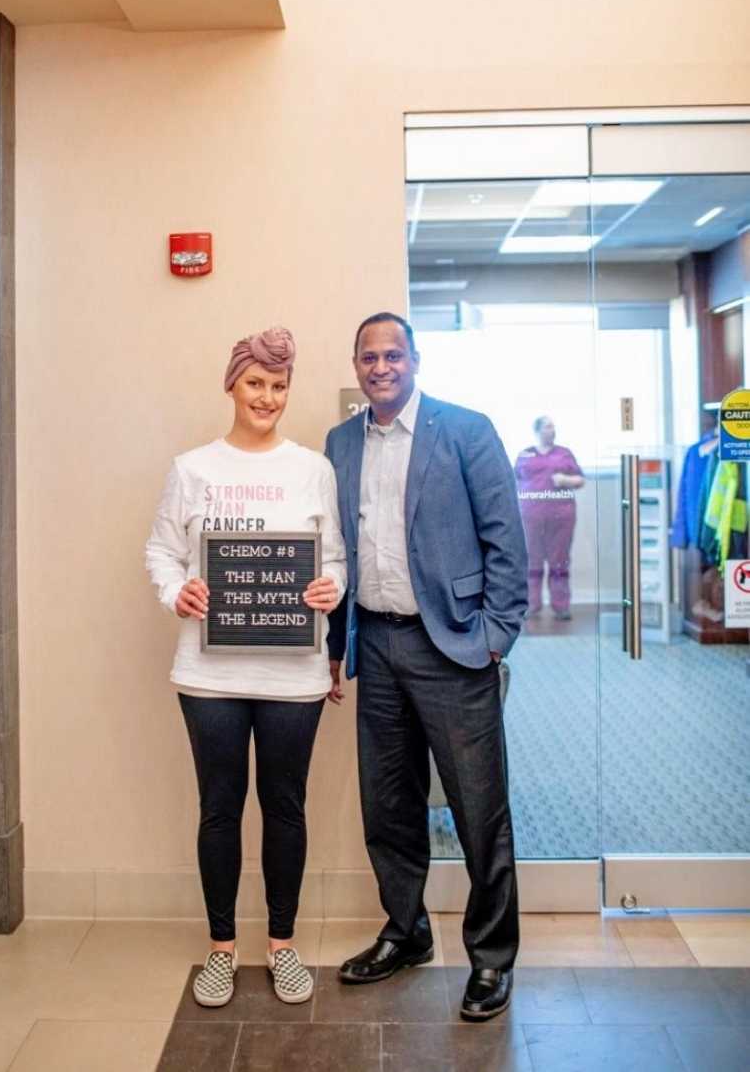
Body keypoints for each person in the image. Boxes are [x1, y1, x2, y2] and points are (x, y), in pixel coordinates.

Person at [325, 311, 526, 1022]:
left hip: (453, 646)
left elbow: (506, 537)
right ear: (356, 365)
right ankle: (406, 931)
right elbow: (337, 550)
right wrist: (336, 645)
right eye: (368, 357)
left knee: (479, 809)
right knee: (388, 805)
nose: (381, 367)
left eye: (393, 355)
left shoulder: (465, 430)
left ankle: (492, 958)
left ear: (416, 359)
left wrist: (496, 635)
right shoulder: (341, 442)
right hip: (375, 644)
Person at [146, 326, 345, 1008]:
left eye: (279, 385)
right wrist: (179, 592)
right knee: (219, 809)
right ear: (233, 384)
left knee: (285, 807)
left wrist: (331, 588)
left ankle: (283, 946)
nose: (267, 396)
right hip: (209, 674)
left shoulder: (313, 468)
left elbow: (336, 558)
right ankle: (221, 949)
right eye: (255, 382)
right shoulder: (191, 468)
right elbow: (161, 552)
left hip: (294, 674)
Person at [514, 417, 585, 621]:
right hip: (530, 517)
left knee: (559, 562)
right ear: (537, 430)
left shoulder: (564, 454)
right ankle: (531, 605)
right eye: (548, 426)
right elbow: (513, 481)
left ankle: (561, 606)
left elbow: (580, 480)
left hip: (561, 517)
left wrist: (566, 480)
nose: (552, 429)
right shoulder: (525, 455)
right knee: (531, 561)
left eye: (553, 426)